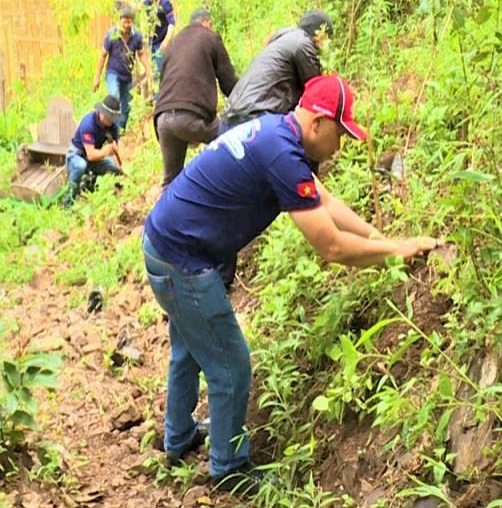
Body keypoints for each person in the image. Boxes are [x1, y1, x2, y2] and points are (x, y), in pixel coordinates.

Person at [142, 74, 439, 495]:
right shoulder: (281, 153)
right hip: (181, 259)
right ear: (318, 123)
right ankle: (228, 468)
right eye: (340, 134)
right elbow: (331, 247)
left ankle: (179, 436)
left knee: (189, 347)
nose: (339, 148)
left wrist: (382, 239)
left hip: (165, 242)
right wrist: (395, 253)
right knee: (230, 364)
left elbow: (327, 202)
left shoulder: (277, 135)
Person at [154, 8, 238, 186]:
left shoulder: (174, 43)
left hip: (162, 120)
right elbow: (229, 84)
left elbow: (163, 82)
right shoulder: (210, 37)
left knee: (170, 182)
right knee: (235, 140)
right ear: (207, 23)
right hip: (190, 117)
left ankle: (164, 213)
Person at [218, 10, 333, 132]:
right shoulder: (302, 44)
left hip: (231, 116)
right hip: (254, 119)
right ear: (318, 34)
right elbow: (316, 93)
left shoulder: (282, 42)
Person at [93, 5, 151, 130]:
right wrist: (96, 77)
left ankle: (119, 130)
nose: (126, 25)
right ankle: (103, 124)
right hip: (113, 72)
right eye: (124, 21)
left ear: (132, 22)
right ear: (119, 20)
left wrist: (148, 69)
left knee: (126, 106)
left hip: (127, 75)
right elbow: (103, 56)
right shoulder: (111, 35)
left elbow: (141, 54)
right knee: (114, 95)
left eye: (129, 21)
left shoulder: (137, 36)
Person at [63, 95, 123, 206]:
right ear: (103, 113)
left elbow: (114, 150)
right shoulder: (88, 124)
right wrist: (105, 151)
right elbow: (90, 155)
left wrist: (119, 168)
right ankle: (69, 202)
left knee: (113, 167)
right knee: (81, 165)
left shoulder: (113, 127)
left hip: (95, 156)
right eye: (110, 117)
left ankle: (91, 187)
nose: (112, 120)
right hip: (78, 155)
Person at [142, 0, 176, 89]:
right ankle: (153, 94)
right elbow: (138, 8)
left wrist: (166, 41)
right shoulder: (146, 3)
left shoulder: (165, 2)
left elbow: (172, 23)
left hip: (162, 41)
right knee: (152, 69)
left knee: (158, 68)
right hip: (152, 42)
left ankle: (159, 98)